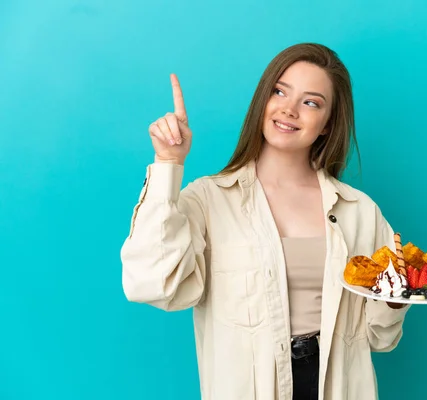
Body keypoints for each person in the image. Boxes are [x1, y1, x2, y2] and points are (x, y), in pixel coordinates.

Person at [120, 43, 410, 400]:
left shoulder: (359, 211)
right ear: (263, 100)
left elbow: (381, 338)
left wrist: (397, 299)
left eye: (311, 102)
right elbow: (152, 284)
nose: (289, 109)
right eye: (279, 91)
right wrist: (168, 163)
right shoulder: (209, 199)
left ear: (326, 125)